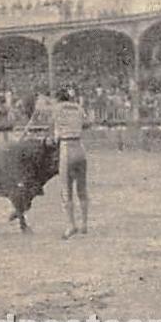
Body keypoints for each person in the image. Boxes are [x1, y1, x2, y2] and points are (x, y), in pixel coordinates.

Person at [52, 85, 88, 239]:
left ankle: (71, 225)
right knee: (82, 188)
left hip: (66, 148)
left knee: (66, 190)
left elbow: (55, 137)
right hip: (80, 148)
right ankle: (84, 224)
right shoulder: (78, 108)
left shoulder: (57, 109)